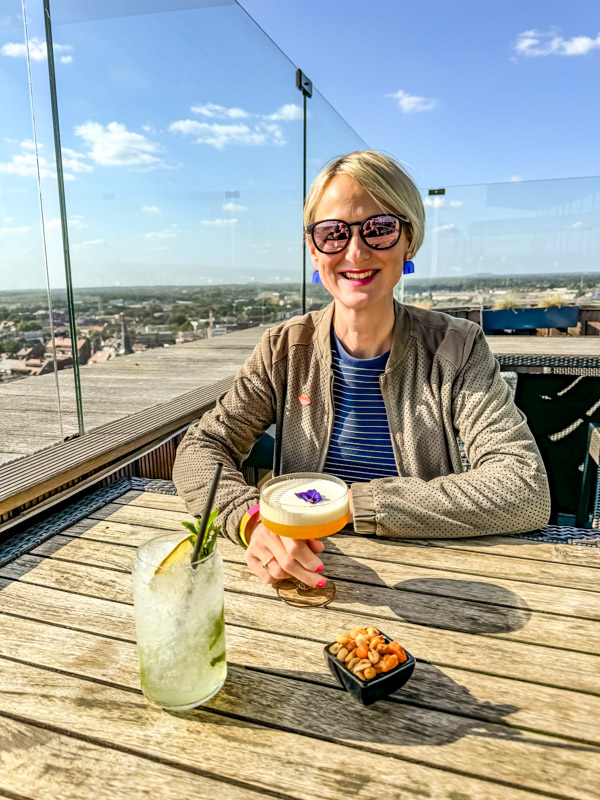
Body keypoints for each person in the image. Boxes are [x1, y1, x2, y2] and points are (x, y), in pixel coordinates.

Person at [173, 150, 551, 589]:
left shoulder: (457, 347)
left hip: (430, 579)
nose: (356, 251)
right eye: (332, 233)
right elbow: (201, 449)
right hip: (303, 576)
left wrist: (347, 505)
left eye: (379, 229)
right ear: (313, 252)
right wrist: (252, 522)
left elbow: (524, 490)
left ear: (409, 240)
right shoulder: (283, 349)